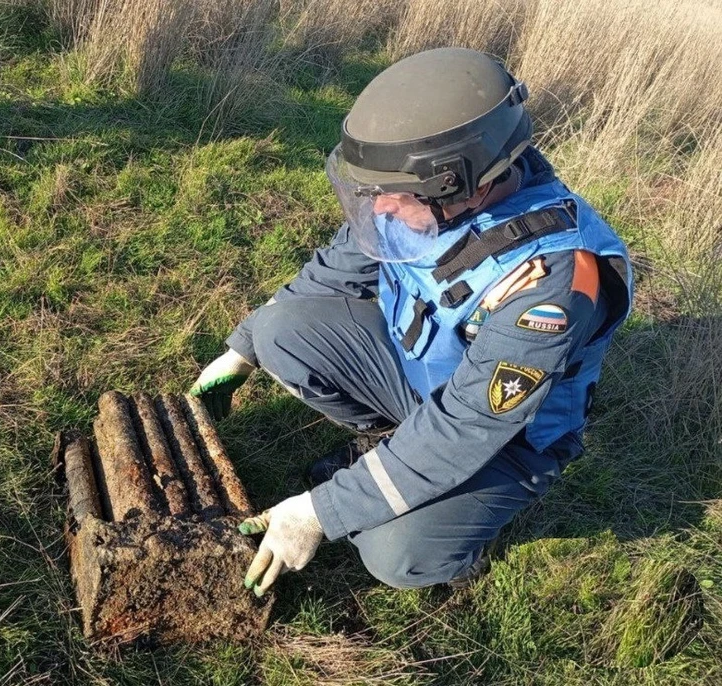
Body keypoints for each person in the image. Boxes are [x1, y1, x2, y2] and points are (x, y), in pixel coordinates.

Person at [189, 47, 633, 596]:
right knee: (277, 330)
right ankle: (387, 448)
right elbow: (336, 271)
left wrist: (319, 512)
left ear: (464, 184)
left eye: (393, 196)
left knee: (394, 552)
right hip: (420, 377)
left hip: (506, 439)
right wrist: (243, 345)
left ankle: (454, 547)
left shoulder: (555, 285)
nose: (379, 210)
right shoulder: (418, 198)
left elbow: (469, 425)